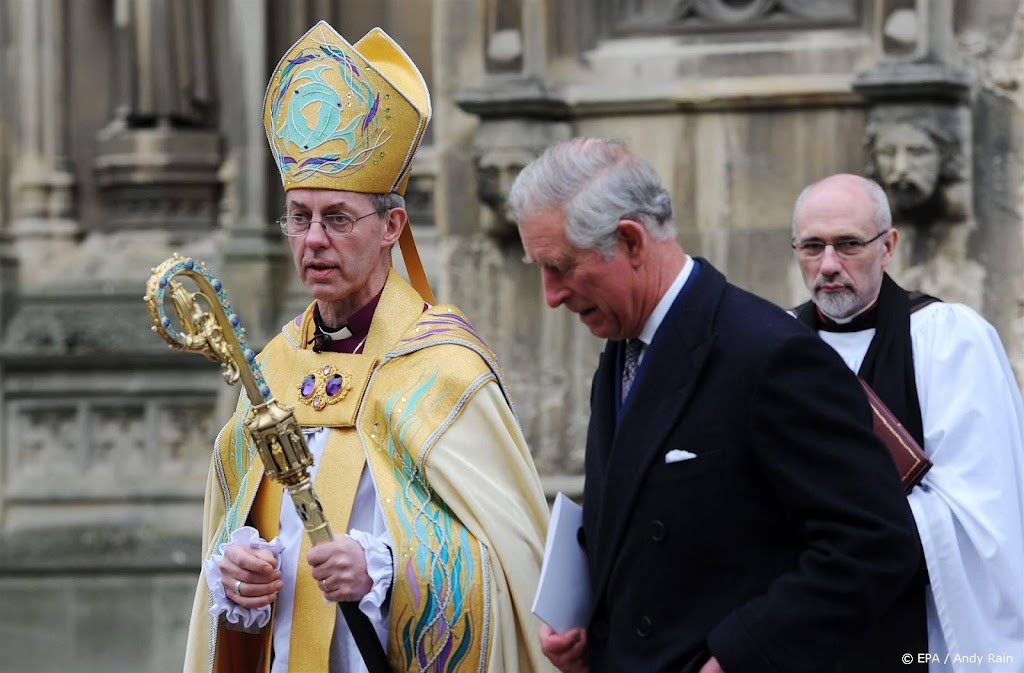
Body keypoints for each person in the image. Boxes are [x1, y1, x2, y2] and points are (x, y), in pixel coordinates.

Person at [182, 21, 553, 673]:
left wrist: (386, 572)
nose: (313, 240)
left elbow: (511, 572)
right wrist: (235, 574)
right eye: (299, 217)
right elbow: (239, 530)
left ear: (391, 226)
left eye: (337, 217)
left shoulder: (445, 369)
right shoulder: (271, 371)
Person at [506, 137, 923, 673]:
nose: (551, 295)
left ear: (631, 242)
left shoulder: (772, 355)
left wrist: (740, 656)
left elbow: (874, 544)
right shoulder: (620, 349)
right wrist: (588, 621)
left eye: (561, 267)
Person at [790, 173, 1024, 672]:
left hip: (915, 627)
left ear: (888, 246)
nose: (828, 265)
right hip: (801, 625)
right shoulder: (773, 345)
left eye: (848, 244)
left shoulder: (950, 340)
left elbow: (982, 511)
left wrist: (849, 532)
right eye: (812, 247)